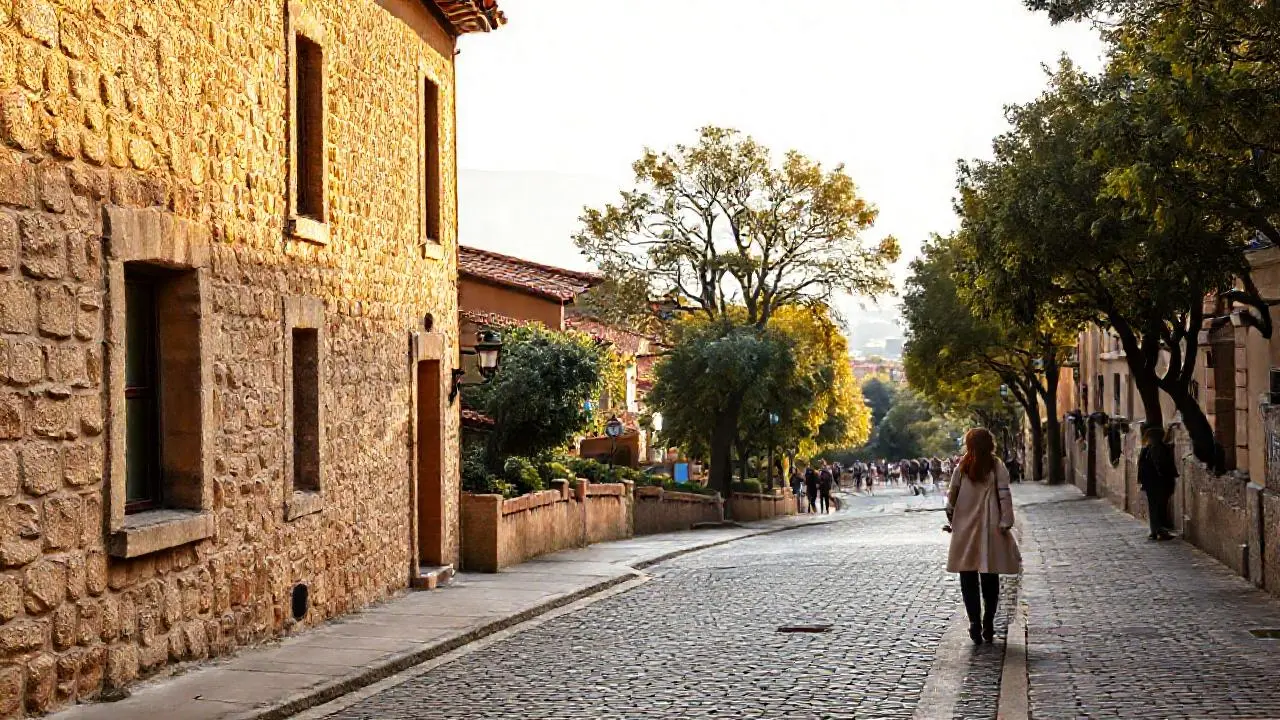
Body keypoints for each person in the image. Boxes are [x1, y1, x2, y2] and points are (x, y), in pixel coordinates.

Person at [946, 428, 1022, 645]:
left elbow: (952, 497)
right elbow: (1004, 495)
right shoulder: (996, 465)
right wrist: (1006, 521)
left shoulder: (962, 466)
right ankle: (988, 621)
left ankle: (974, 623)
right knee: (989, 576)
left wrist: (952, 521)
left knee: (967, 576)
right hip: (990, 526)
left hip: (966, 528)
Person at [1138, 426, 1177, 541]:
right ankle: (1156, 530)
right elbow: (1141, 468)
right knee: (1155, 507)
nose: (1150, 439)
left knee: (1159, 507)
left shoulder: (1163, 449)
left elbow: (1168, 466)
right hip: (1153, 484)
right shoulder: (1146, 451)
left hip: (1161, 483)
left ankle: (1157, 530)